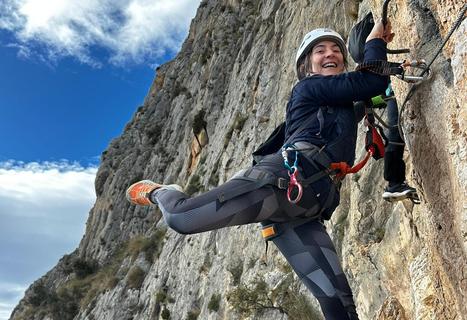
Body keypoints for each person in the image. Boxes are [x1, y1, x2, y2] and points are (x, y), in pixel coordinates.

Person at [126, 19, 395, 320]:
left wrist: (388, 90)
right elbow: (371, 82)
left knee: (340, 307)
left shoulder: (339, 103)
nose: (331, 54)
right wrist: (375, 41)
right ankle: (162, 192)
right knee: (181, 218)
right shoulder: (308, 88)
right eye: (320, 50)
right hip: (279, 182)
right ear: (306, 67)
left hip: (305, 207)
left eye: (336, 50)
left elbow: (370, 96)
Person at [348, 12, 419, 203]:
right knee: (394, 126)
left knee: (388, 121)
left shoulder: (363, 50)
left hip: (383, 93)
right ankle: (394, 182)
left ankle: (394, 183)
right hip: (387, 92)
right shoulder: (370, 43)